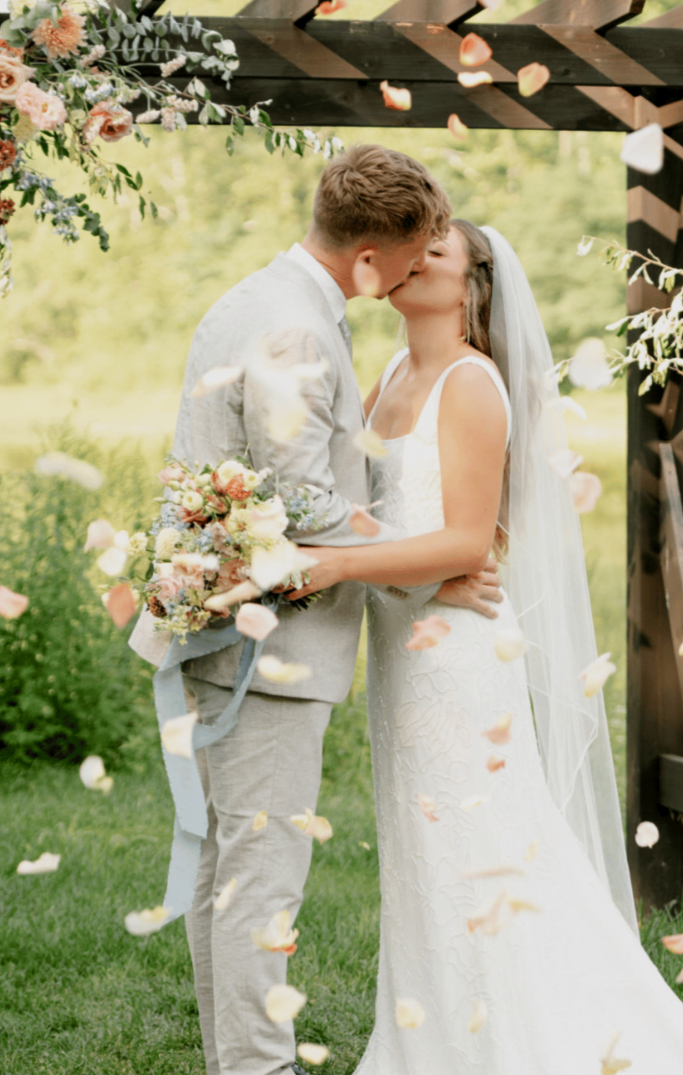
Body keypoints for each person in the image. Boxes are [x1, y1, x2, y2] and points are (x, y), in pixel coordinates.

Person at [287, 222, 683, 1073]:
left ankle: (512, 1041)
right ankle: (432, 1034)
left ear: (472, 282)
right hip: (407, 650)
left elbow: (469, 542)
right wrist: (397, 570)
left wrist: (344, 564)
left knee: (483, 851)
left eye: (431, 252)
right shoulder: (395, 374)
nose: (407, 262)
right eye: (405, 250)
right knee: (423, 851)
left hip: (459, 665)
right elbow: (371, 514)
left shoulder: (472, 385)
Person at [131, 148, 502, 1075]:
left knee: (231, 868)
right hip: (267, 647)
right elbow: (305, 508)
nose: (420, 269)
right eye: (413, 254)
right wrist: (424, 569)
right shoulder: (299, 330)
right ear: (372, 253)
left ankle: (238, 1063)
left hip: (231, 633)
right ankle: (259, 1067)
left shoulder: (264, 298)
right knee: (261, 879)